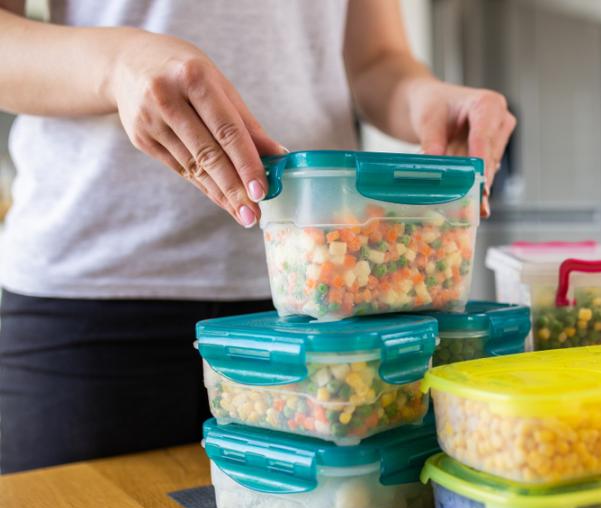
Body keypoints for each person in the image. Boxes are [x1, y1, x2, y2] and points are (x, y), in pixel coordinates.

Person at [0, 0, 515, 473]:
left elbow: (377, 59)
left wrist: (426, 98)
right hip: (87, 305)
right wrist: (117, 64)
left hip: (321, 306)